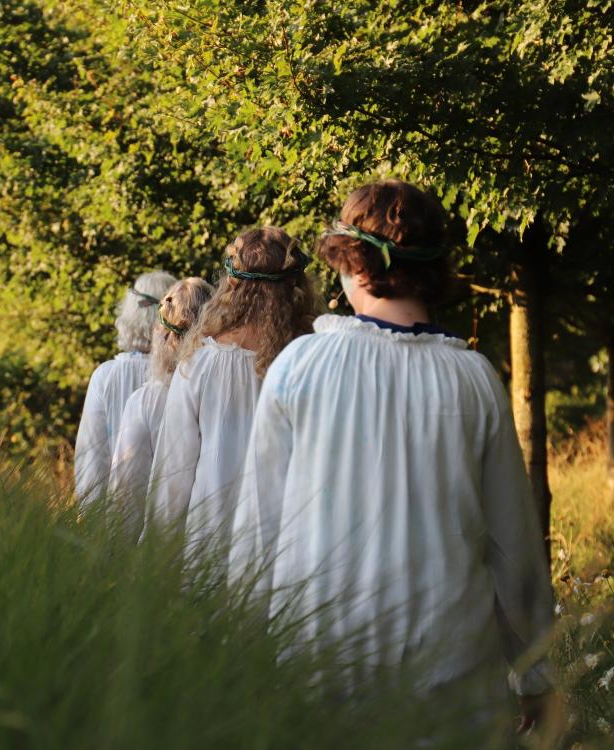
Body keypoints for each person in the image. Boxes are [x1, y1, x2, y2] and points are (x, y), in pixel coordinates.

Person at [229, 181, 556, 737]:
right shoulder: (474, 380)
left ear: (351, 262)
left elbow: (257, 532)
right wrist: (536, 676)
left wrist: (237, 664)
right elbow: (513, 547)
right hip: (452, 680)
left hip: (319, 670)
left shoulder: (298, 366)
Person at [147, 227, 319, 556]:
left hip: (210, 539)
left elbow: (174, 473)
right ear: (295, 287)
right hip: (290, 543)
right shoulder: (312, 359)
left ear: (232, 283)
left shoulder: (198, 364)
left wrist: (155, 559)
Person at [107, 277, 214, 536]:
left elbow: (126, 488)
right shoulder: (226, 391)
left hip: (161, 548)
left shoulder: (146, 401)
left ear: (162, 332)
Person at [74, 270, 176, 506]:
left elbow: (92, 455)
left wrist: (90, 516)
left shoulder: (106, 376)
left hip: (116, 515)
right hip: (168, 516)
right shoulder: (184, 376)